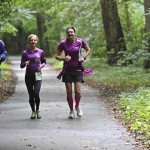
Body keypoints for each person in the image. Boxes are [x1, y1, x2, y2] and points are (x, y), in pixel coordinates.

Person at [55, 27, 91, 119]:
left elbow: (88, 50)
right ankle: (71, 110)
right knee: (69, 92)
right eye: (68, 32)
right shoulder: (63, 43)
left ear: (74, 32)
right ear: (66, 34)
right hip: (67, 69)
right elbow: (57, 55)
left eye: (72, 32)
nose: (70, 33)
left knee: (78, 91)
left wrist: (83, 57)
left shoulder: (80, 41)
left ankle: (77, 106)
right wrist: (64, 58)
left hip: (78, 68)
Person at [20, 34, 46, 119]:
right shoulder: (25, 53)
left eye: (34, 40)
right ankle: (33, 111)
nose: (33, 41)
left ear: (36, 41)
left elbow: (44, 62)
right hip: (28, 76)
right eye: (31, 40)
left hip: (38, 75)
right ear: (29, 41)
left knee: (36, 93)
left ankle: (38, 110)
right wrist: (25, 63)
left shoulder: (40, 52)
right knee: (31, 95)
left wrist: (42, 66)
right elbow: (21, 65)